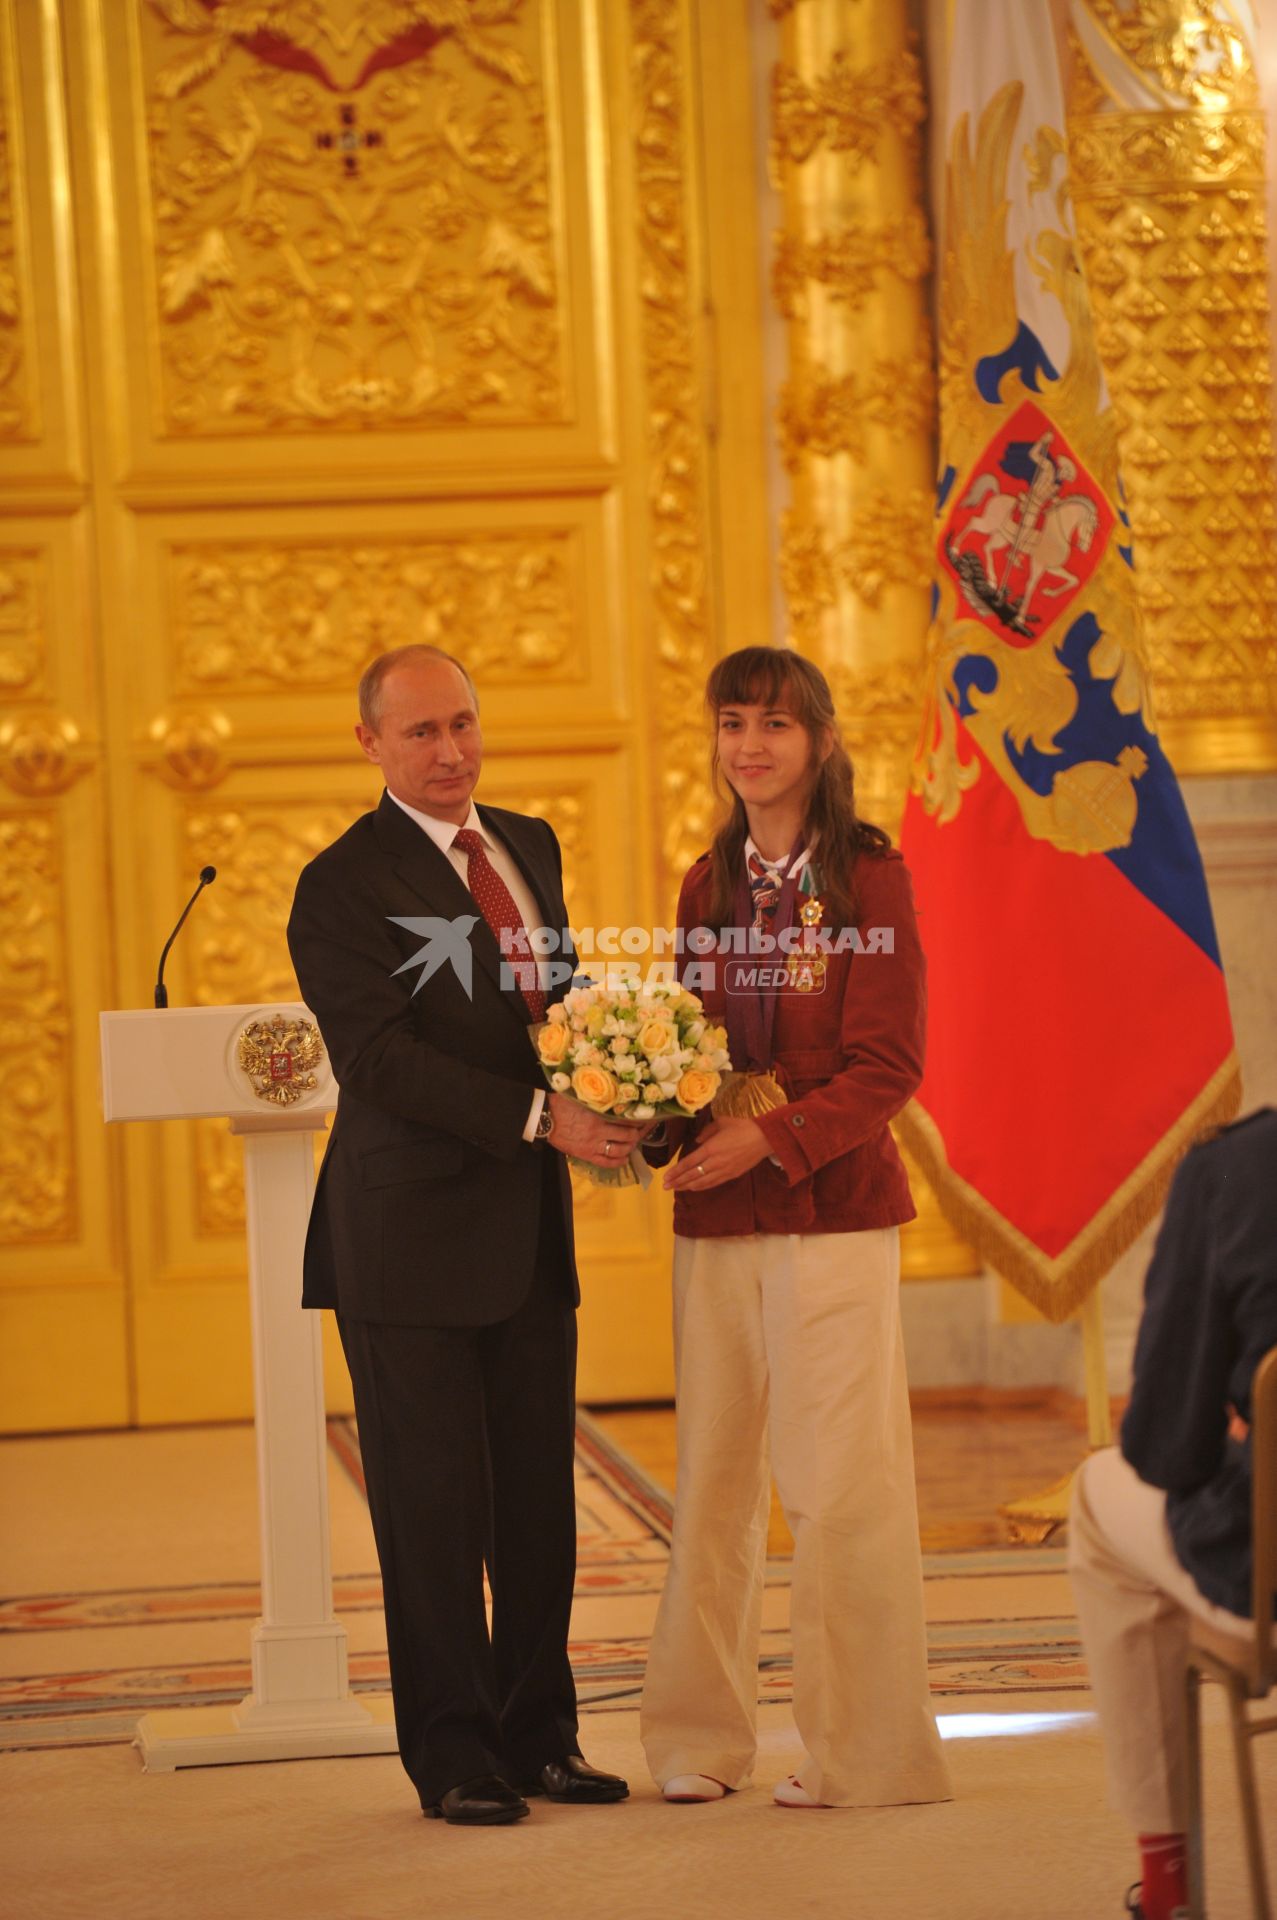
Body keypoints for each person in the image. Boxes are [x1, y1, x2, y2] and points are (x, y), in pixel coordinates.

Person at [287, 644, 646, 1826]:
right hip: (408, 1242)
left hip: (528, 1235)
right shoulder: (339, 883)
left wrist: (631, 1079)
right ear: (370, 745)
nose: (449, 752)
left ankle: (543, 1736)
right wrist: (545, 1115)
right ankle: (453, 1756)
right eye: (420, 733)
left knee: (539, 1507)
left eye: (462, 725)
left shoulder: (527, 845)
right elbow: (379, 1059)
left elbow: (560, 1004)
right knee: (432, 1515)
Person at [639, 645, 951, 1810]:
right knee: (713, 1477)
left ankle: (865, 1754)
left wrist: (767, 1139)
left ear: (817, 742)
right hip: (715, 1214)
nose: (749, 746)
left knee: (838, 1482)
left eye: (772, 723)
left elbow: (888, 1066)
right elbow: (687, 1048)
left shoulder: (870, 877)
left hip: (832, 1210)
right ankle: (694, 1740)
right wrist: (651, 1120)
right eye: (730, 724)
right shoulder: (702, 883)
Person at [1068, 1107, 1277, 1920]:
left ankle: (1166, 1884)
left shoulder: (1243, 1165)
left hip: (1269, 1573)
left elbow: (1165, 1446)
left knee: (1097, 1490)